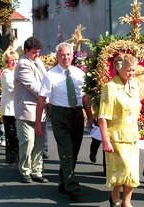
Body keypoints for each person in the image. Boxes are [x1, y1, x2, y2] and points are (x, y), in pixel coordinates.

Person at [35, 42, 93, 201]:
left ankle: (64, 181)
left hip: (77, 114)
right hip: (60, 114)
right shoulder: (50, 75)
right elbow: (41, 100)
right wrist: (38, 122)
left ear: (73, 55)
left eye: (68, 54)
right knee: (66, 151)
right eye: (62, 54)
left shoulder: (79, 73)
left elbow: (85, 98)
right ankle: (72, 185)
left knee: (73, 151)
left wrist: (90, 117)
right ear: (57, 56)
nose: (65, 57)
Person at [98, 53, 141, 207]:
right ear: (119, 68)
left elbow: (136, 111)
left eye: (133, 69)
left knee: (132, 172)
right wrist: (105, 141)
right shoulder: (110, 87)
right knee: (123, 170)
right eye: (129, 70)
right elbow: (102, 117)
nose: (132, 73)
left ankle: (126, 202)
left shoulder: (134, 86)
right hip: (116, 138)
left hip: (132, 136)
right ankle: (114, 196)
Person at [14, 36, 48, 183]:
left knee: (39, 143)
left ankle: (37, 170)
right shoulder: (22, 64)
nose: (37, 55)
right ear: (26, 51)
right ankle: (25, 170)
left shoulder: (37, 61)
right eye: (34, 52)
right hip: (27, 111)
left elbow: (46, 80)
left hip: (41, 110)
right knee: (27, 142)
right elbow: (34, 87)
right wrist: (51, 97)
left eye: (38, 51)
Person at [0, 47, 19, 164]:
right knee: (11, 135)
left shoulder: (15, 72)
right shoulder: (6, 73)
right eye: (12, 60)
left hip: (17, 107)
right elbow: (13, 89)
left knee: (17, 135)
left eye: (16, 60)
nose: (15, 62)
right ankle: (12, 158)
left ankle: (17, 157)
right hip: (9, 109)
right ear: (7, 62)